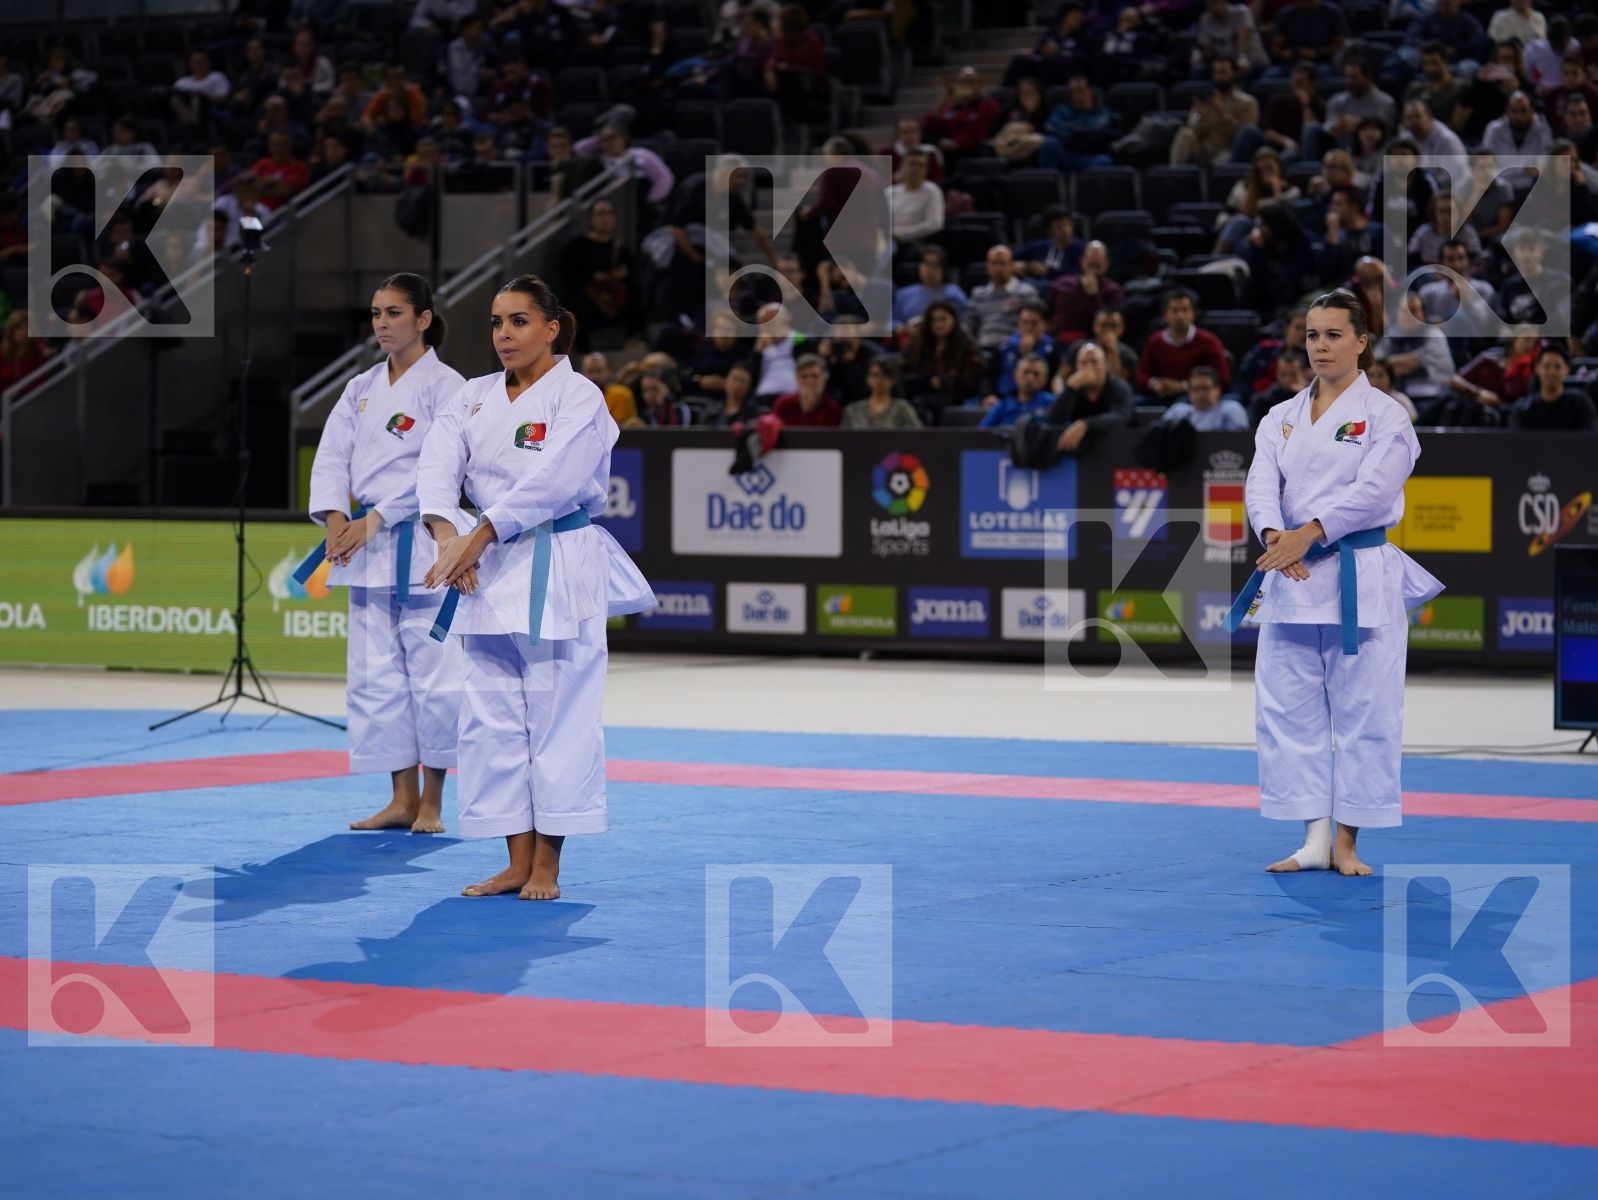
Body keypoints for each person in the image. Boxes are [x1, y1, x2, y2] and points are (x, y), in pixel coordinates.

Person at [417, 275, 654, 899]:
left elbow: (554, 481)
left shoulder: (579, 397)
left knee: (559, 716)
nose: (504, 334)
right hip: (483, 567)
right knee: (492, 719)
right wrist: (448, 537)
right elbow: (436, 467)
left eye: (519, 321)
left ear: (551, 329)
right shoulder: (472, 396)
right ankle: (515, 861)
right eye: (497, 322)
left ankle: (548, 864)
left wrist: (480, 534)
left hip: (556, 560)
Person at [1230, 289, 1444, 876]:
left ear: (1361, 341)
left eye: (1333, 335)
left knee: (1365, 715)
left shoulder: (1387, 416)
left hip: (1357, 579)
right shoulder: (1280, 417)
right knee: (1288, 712)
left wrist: (1310, 534)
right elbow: (1259, 485)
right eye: (1312, 335)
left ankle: (1347, 842)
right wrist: (1275, 535)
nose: (1320, 346)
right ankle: (1314, 839)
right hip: (1291, 576)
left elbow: (1374, 492)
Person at [306, 274, 468, 835]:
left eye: (394, 312)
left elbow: (442, 469)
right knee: (376, 678)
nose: (381, 323)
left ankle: (433, 801)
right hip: (366, 549)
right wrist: (335, 517)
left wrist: (377, 518)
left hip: (424, 540)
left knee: (436, 677)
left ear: (423, 320)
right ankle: (401, 798)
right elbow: (332, 456)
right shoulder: (361, 387)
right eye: (376, 313)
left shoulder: (448, 386)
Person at [841, 359, 923, 429]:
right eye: (874, 375)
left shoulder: (902, 408)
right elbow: (843, 438)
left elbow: (917, 436)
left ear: (893, 379)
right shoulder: (853, 410)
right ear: (867, 379)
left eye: (884, 375)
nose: (879, 380)